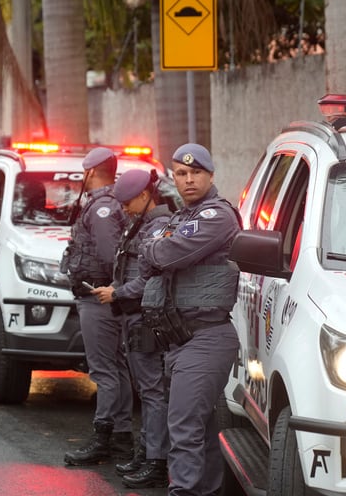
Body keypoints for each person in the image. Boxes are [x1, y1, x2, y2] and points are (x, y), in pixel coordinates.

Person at [139, 143, 241, 496]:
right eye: (181, 174)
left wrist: (159, 246)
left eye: (195, 172)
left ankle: (182, 491)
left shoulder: (218, 216)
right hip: (179, 340)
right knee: (199, 426)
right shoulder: (178, 219)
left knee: (182, 427)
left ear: (210, 175)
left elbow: (166, 254)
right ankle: (207, 491)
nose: (188, 179)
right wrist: (158, 246)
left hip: (206, 336)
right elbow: (146, 257)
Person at [91, 169, 172, 488]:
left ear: (144, 196)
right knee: (147, 389)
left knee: (152, 391)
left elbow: (152, 277)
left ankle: (156, 460)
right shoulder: (143, 223)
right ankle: (146, 452)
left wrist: (118, 292)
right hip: (136, 315)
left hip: (146, 317)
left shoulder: (158, 226)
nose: (123, 209)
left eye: (127, 202)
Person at [61, 147, 134, 466]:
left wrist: (113, 289)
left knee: (105, 371)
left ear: (91, 172)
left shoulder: (102, 207)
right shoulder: (110, 203)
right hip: (106, 299)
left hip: (100, 299)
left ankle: (105, 438)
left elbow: (110, 255)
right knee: (116, 369)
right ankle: (120, 438)